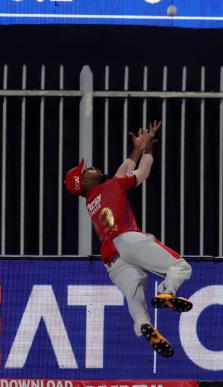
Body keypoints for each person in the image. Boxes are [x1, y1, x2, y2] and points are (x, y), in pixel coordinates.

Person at [64, 120, 192, 358]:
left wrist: (137, 147)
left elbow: (123, 169)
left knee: (135, 296)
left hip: (111, 258)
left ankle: (143, 324)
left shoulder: (92, 201)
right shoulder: (110, 186)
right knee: (180, 267)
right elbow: (142, 172)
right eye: (87, 170)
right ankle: (167, 291)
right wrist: (149, 148)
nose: (91, 168)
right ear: (86, 181)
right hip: (128, 240)